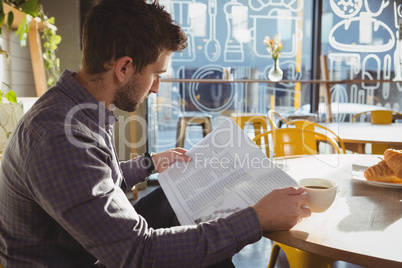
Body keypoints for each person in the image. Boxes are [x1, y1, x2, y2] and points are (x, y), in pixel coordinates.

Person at [0, 0, 311, 267]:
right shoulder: (58, 136)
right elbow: (138, 254)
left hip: (84, 245)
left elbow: (95, 185)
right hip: (82, 260)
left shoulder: (78, 107)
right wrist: (256, 219)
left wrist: (149, 163)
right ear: (124, 68)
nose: (158, 87)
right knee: (201, 235)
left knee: (175, 202)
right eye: (156, 75)